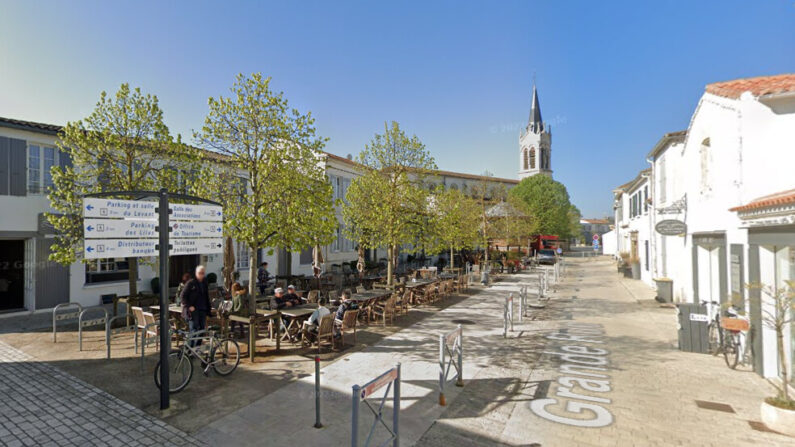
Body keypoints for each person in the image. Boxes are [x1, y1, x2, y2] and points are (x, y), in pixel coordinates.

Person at [180, 265, 211, 346]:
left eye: (203, 273)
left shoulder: (204, 282)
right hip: (193, 311)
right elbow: (182, 296)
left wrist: (208, 308)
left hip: (203, 309)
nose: (201, 275)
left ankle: (197, 348)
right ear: (196, 273)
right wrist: (189, 306)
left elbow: (206, 296)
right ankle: (190, 349)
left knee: (202, 330)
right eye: (200, 273)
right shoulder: (191, 283)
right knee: (194, 330)